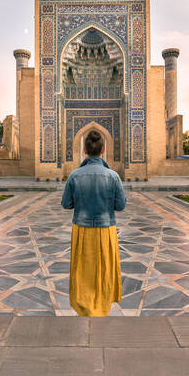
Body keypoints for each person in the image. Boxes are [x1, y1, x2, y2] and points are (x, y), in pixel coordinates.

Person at [61, 129, 126, 317]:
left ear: (85, 150)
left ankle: (84, 304)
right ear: (103, 149)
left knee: (83, 269)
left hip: (82, 229)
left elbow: (66, 204)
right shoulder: (113, 176)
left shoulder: (75, 175)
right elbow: (120, 206)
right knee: (104, 267)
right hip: (106, 230)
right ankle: (102, 303)